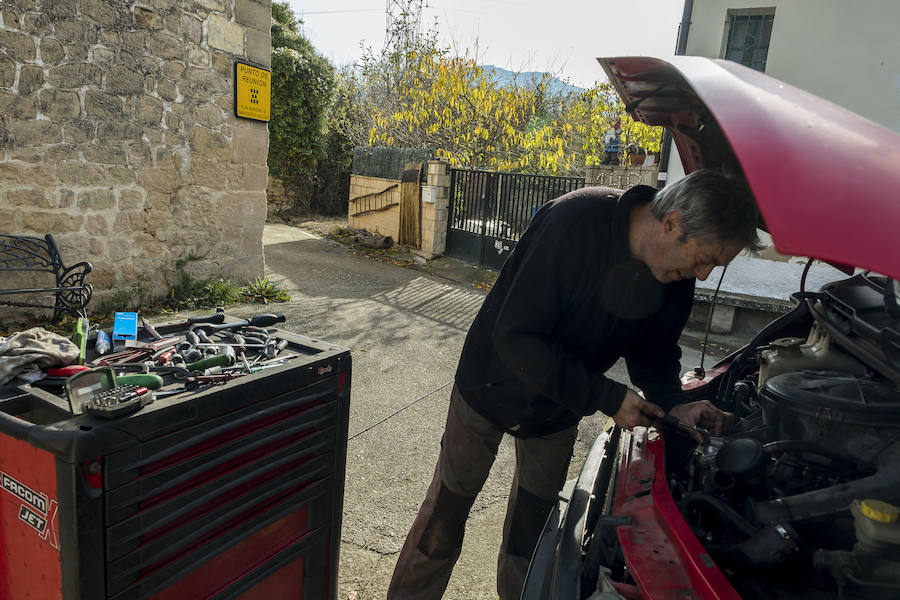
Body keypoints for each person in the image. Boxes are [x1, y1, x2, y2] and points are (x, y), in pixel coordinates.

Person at [387, 168, 761, 600]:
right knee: (443, 521)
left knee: (532, 540)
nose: (704, 275)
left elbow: (655, 355)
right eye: (705, 259)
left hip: (558, 410)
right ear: (672, 223)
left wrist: (676, 404)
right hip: (488, 391)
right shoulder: (574, 222)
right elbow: (516, 336)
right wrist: (605, 396)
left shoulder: (673, 280)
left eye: (714, 266)